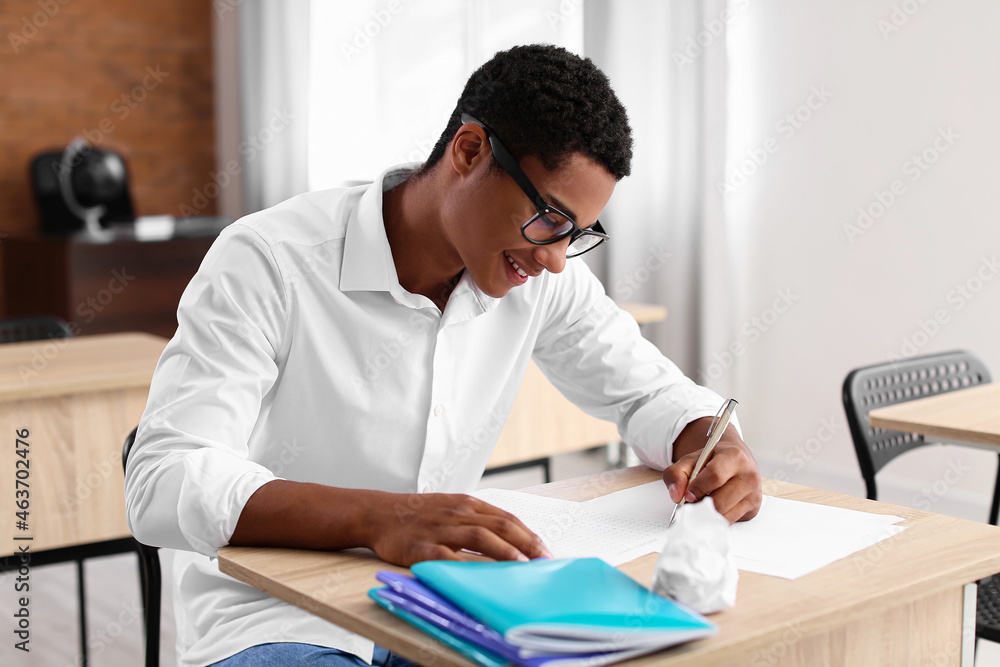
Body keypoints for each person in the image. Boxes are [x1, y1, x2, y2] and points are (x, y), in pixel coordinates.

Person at [125, 44, 761, 667]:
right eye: (547, 218)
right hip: (279, 616)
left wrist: (711, 443)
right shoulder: (270, 260)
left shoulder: (538, 276)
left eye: (578, 233)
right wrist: (379, 517)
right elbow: (164, 477)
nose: (555, 257)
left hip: (446, 606)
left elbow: (648, 391)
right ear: (470, 150)